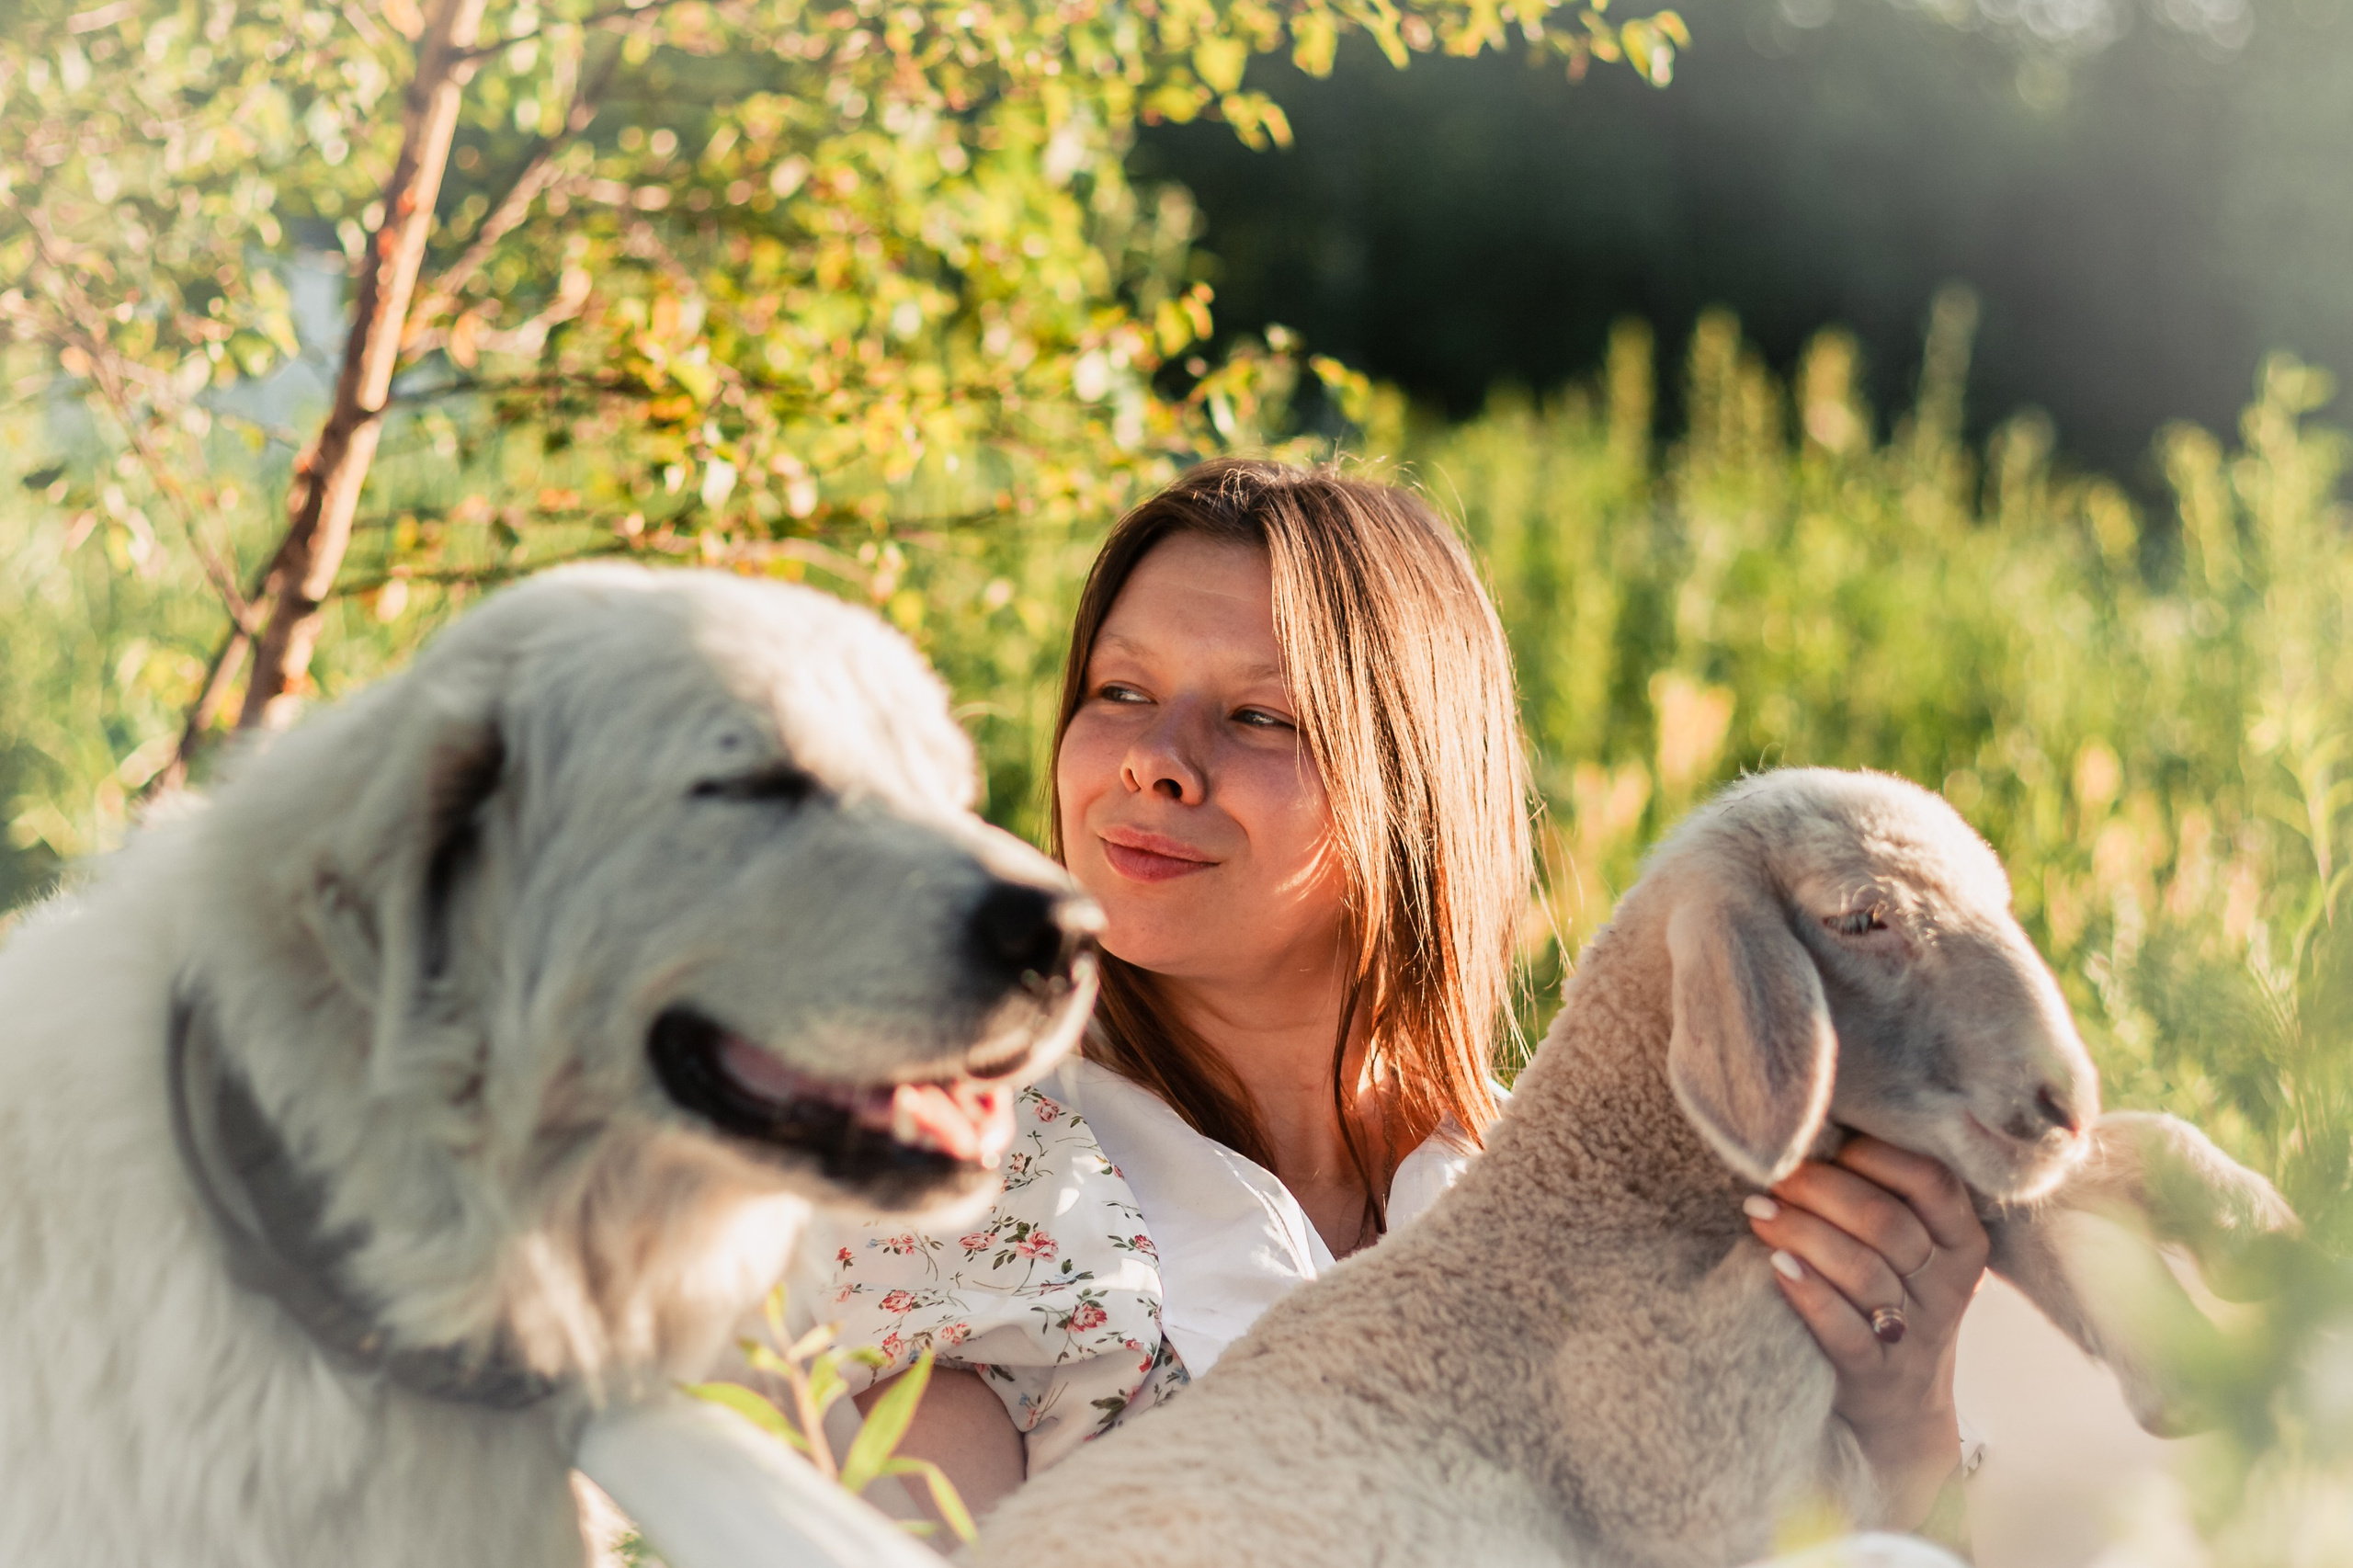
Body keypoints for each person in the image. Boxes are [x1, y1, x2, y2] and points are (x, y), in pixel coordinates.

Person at [790, 459, 1984, 1538]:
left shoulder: (1574, 1190)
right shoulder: (970, 1171)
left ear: (1408, 785)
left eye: (1260, 715)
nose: (1156, 756)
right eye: (1119, 692)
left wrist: (1901, 1406)